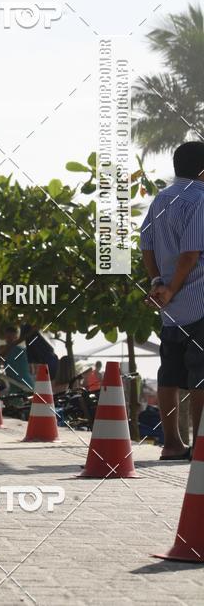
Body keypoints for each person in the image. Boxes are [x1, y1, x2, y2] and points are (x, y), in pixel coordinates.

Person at [140, 140, 204, 460]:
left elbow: (147, 246)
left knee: (169, 373)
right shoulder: (201, 198)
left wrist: (159, 285)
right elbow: (190, 254)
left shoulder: (161, 199)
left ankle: (172, 444)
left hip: (170, 309)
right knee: (200, 375)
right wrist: (173, 288)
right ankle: (200, 446)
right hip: (198, 301)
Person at [0, 326, 34, 394]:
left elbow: (31, 369)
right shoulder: (4, 350)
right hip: (15, 385)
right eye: (8, 337)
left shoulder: (21, 350)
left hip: (24, 385)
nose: (9, 339)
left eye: (11, 337)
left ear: (17, 337)